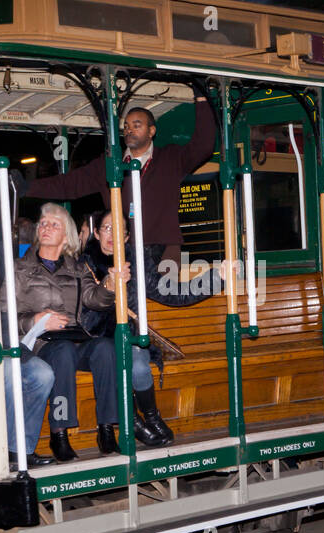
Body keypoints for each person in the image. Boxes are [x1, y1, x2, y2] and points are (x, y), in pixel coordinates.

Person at [79, 209, 223, 447]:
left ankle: (152, 416)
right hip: (94, 339)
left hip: (129, 336)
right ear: (96, 233)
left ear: (127, 238)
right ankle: (132, 421)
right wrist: (109, 284)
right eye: (107, 228)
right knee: (111, 356)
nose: (112, 235)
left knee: (137, 363)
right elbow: (86, 307)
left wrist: (217, 278)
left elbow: (172, 291)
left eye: (120, 231)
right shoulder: (84, 264)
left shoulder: (135, 262)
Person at [19, 97, 215, 262]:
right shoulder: (110, 164)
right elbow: (69, 185)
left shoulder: (171, 158)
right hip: (123, 249)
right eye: (127, 126)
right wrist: (26, 187)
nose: (129, 130)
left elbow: (203, 146)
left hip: (165, 250)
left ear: (152, 131)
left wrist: (202, 99)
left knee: (161, 303)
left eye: (137, 125)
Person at [15, 202, 128, 462]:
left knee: (105, 347)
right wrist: (35, 320)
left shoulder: (76, 268)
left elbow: (93, 299)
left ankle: (107, 428)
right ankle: (60, 432)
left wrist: (109, 285)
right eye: (43, 223)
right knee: (63, 352)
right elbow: (5, 312)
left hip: (73, 337)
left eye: (54, 224)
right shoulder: (20, 269)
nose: (46, 227)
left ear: (66, 235)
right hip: (40, 343)